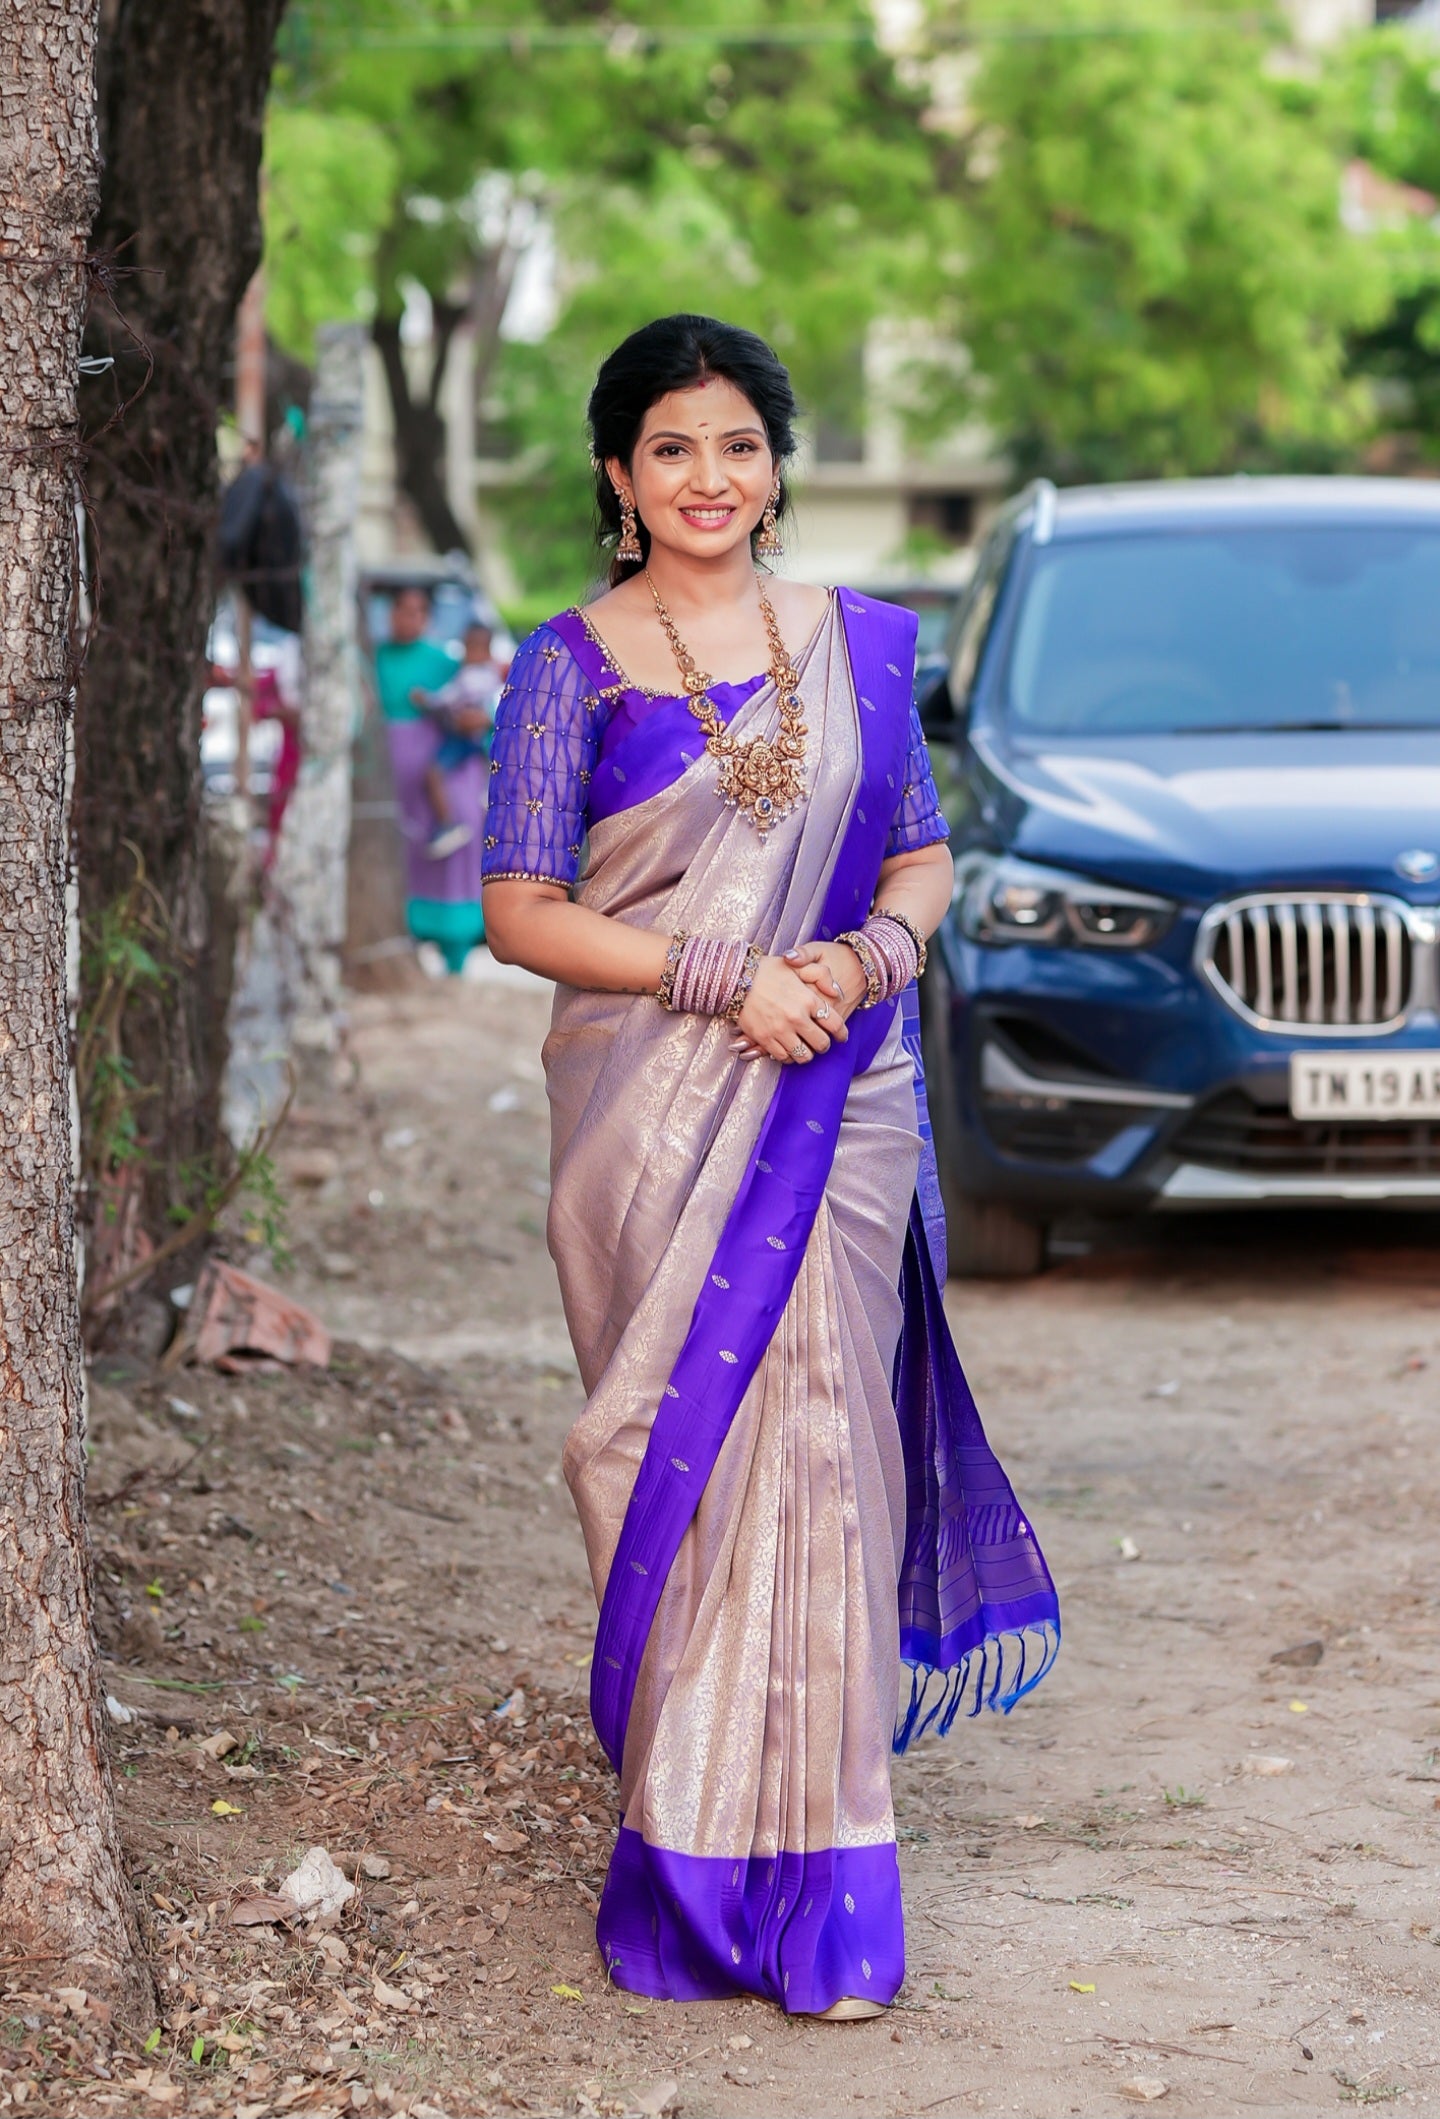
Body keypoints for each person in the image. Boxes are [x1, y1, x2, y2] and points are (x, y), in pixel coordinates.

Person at [482, 316, 1059, 2021]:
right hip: (653, 1110)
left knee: (825, 1442)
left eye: (738, 443)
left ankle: (833, 1886)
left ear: (778, 464)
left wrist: (866, 959)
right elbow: (520, 908)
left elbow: (922, 858)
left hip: (838, 1095)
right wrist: (723, 975)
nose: (709, 477)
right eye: (672, 447)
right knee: (687, 1446)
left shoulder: (859, 644)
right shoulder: (571, 666)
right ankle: (688, 1852)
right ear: (619, 473)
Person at [373, 585, 486, 973]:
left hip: (441, 777)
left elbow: (477, 713)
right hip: (388, 779)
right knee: (398, 850)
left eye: (420, 611)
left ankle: (457, 950)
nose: (411, 618)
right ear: (390, 613)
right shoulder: (371, 659)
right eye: (404, 610)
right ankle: (401, 937)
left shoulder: (446, 664)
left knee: (452, 848)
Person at [414, 620, 505, 860]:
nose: (469, 653)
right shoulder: (489, 675)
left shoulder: (471, 677)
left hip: (466, 738)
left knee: (433, 773)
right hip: (479, 739)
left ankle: (447, 823)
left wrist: (426, 700)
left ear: (487, 651)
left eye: (475, 647)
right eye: (468, 646)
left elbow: (448, 699)